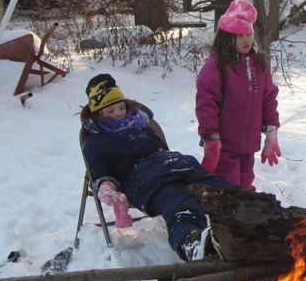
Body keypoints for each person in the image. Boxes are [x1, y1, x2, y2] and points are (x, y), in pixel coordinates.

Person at [81, 74, 231, 261]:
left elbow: (160, 149)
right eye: (111, 110)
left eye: (121, 107)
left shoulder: (140, 124)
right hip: (142, 181)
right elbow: (100, 174)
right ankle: (191, 243)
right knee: (178, 201)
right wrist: (107, 188)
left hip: (174, 166)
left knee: (224, 190)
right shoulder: (96, 142)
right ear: (98, 113)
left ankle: (261, 219)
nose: (119, 113)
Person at [196, 0, 281, 191]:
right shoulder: (217, 67)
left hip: (248, 142)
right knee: (228, 185)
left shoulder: (259, 65)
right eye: (240, 36)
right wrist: (210, 136)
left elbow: (268, 97)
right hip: (224, 143)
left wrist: (271, 129)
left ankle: (245, 213)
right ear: (227, 38)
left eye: (249, 34)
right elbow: (206, 103)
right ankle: (227, 216)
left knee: (245, 181)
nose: (247, 40)